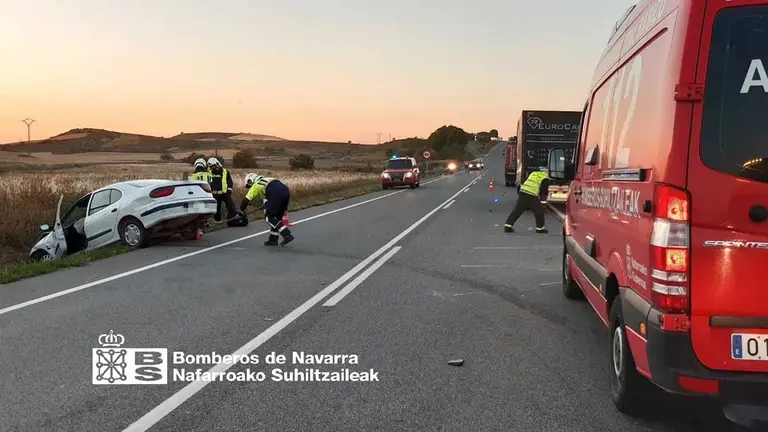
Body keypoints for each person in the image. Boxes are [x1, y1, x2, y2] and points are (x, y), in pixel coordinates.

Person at [240, 173, 295, 246]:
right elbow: (267, 199)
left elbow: (246, 200)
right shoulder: (267, 179)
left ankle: (287, 234)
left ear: (251, 181)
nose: (250, 187)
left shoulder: (256, 184)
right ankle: (273, 239)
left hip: (276, 193)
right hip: (285, 192)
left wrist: (241, 211)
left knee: (269, 217)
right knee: (277, 217)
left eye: (249, 185)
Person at [504, 167, 550, 234]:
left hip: (522, 192)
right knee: (539, 212)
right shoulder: (545, 178)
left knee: (517, 211)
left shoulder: (534, 174)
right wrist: (543, 203)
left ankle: (507, 226)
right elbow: (543, 192)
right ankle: (540, 228)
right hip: (531, 195)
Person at [207, 157, 237, 223]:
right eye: (211, 167)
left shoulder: (225, 172)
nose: (212, 168)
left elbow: (230, 182)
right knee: (216, 209)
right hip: (214, 195)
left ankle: (231, 220)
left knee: (231, 206)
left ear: (217, 164)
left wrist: (229, 190)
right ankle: (218, 222)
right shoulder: (209, 173)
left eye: (213, 166)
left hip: (225, 193)